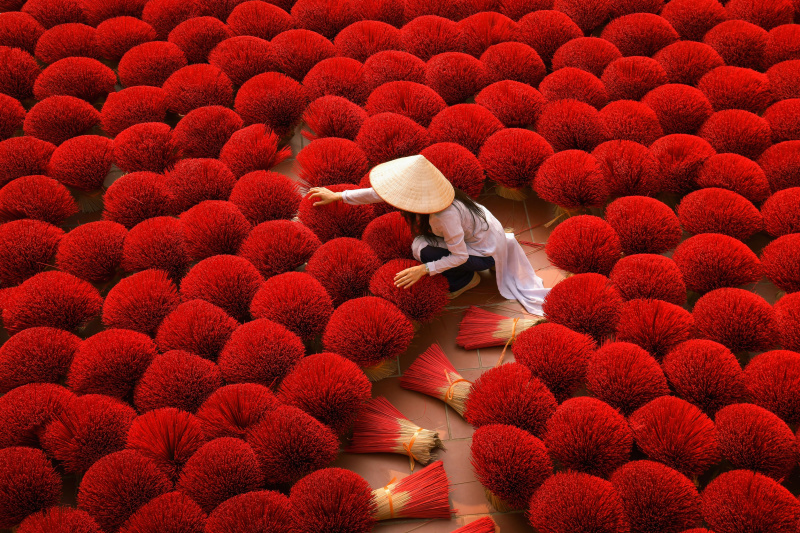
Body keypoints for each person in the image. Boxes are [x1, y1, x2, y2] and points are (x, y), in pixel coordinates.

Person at [308, 154, 550, 314]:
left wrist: (424, 269)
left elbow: (460, 257)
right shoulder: (433, 193)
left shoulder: (443, 216)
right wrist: (339, 196)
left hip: (481, 252)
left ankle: (465, 281)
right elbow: (378, 193)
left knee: (421, 251)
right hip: (482, 235)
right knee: (420, 244)